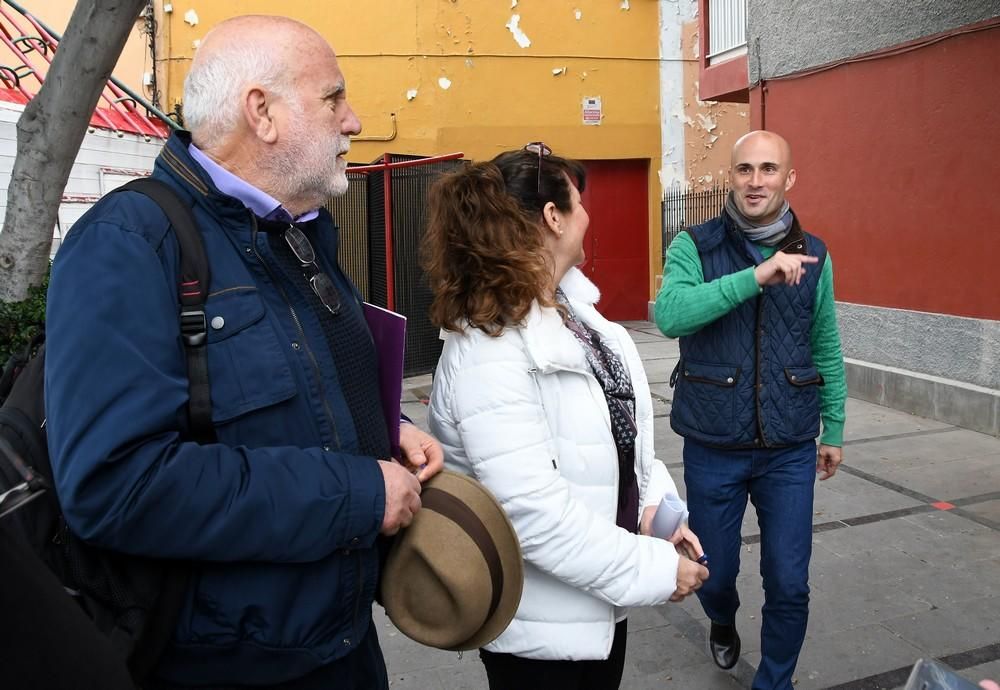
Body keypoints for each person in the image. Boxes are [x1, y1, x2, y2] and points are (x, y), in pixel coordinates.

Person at [43, 15, 442, 690]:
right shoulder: (129, 244)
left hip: (338, 644)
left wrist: (384, 432)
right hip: (228, 667)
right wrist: (354, 492)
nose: (355, 120)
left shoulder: (296, 232)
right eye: (333, 98)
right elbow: (115, 486)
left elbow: (291, 395)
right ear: (262, 112)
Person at [421, 144, 710, 690]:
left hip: (596, 611)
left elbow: (622, 441)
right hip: (539, 638)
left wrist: (654, 511)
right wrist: (654, 570)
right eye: (579, 202)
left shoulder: (579, 315)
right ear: (553, 217)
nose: (587, 214)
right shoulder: (490, 347)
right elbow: (533, 516)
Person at [654, 130, 846, 690]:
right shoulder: (695, 244)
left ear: (789, 178)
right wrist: (755, 276)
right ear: (731, 176)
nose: (755, 181)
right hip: (714, 444)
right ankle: (721, 618)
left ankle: (775, 681)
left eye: (768, 169)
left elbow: (825, 342)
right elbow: (671, 314)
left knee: (789, 580)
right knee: (714, 574)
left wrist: (833, 426)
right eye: (744, 170)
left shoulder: (817, 254)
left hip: (788, 446)